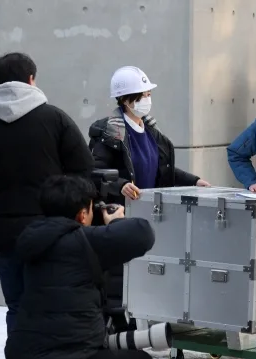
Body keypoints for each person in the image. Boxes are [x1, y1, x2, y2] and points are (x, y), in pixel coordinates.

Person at [0, 52, 94, 359]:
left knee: (18, 309)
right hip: (53, 234)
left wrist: (0, 212)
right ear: (31, 78)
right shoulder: (55, 119)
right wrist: (65, 213)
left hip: (5, 235)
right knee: (55, 305)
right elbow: (83, 172)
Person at [5, 175, 156, 359]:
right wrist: (115, 221)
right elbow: (143, 234)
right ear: (83, 214)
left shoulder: (30, 239)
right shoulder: (83, 242)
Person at [88, 66, 210, 330]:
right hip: (120, 215)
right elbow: (93, 171)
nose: (147, 99)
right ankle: (117, 325)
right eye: (142, 94)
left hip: (150, 214)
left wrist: (194, 181)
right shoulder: (110, 133)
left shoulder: (152, 132)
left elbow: (161, 170)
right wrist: (120, 185)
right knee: (120, 274)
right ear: (126, 99)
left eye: (148, 93)